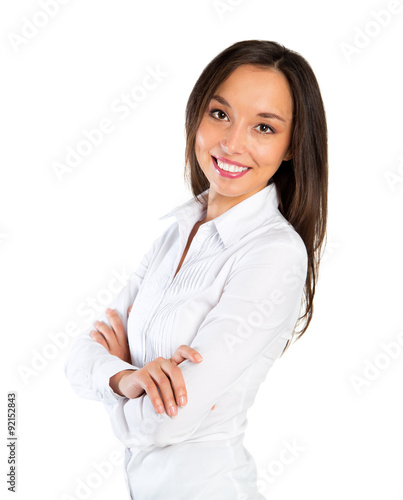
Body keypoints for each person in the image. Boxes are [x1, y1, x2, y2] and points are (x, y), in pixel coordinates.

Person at [65, 39, 328, 499]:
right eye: (220, 114)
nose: (232, 142)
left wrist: (113, 382)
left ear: (291, 147)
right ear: (197, 115)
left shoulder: (274, 254)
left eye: (264, 127)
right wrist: (128, 378)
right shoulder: (176, 231)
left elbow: (166, 425)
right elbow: (76, 359)